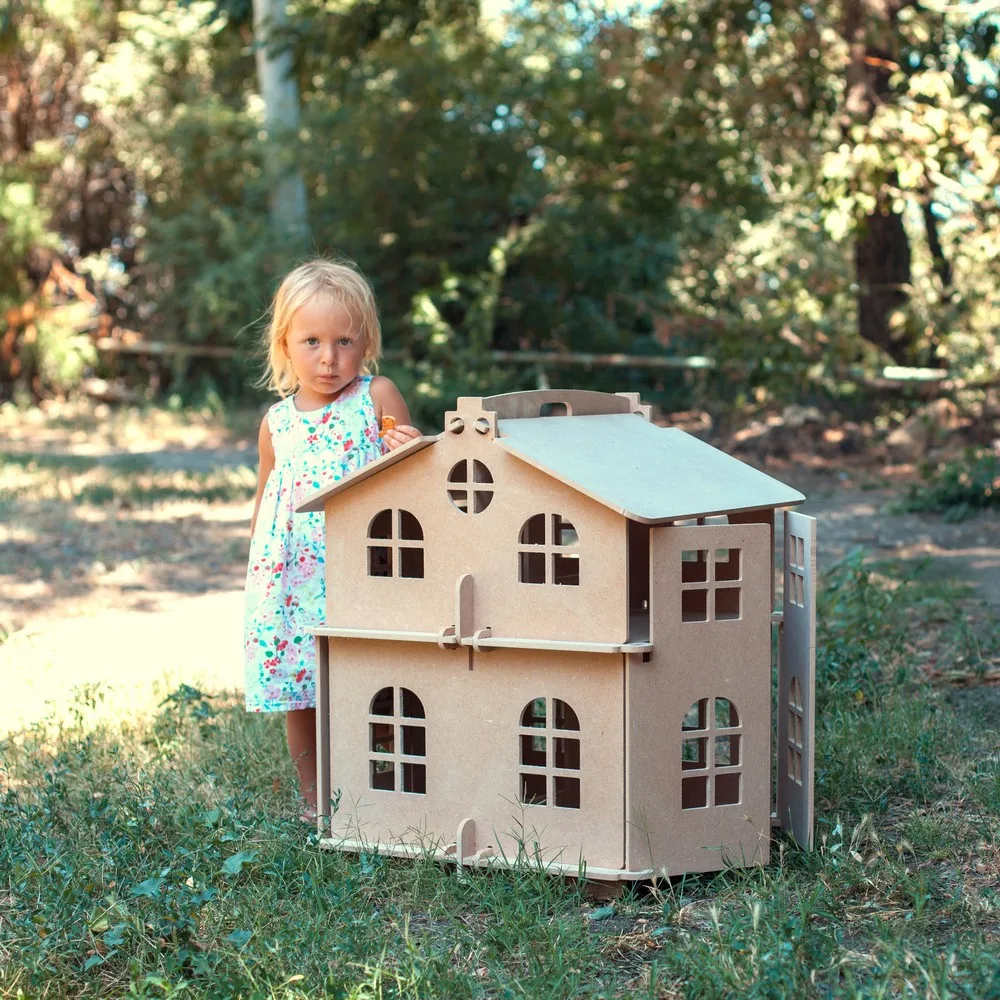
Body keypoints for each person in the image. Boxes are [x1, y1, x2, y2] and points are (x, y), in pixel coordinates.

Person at [244, 258, 419, 822]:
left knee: (380, 677)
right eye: (312, 341)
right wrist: (258, 573)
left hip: (363, 565)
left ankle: (398, 784)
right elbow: (266, 493)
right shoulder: (277, 421)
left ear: (365, 341)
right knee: (303, 687)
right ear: (285, 344)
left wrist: (413, 450)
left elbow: (413, 478)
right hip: (294, 577)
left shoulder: (376, 397)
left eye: (344, 341)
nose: (328, 357)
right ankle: (315, 799)